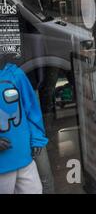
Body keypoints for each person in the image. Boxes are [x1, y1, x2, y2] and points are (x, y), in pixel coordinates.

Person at [0, 62, 48, 194]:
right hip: (2, 166)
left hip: (24, 156)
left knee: (35, 190)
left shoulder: (15, 74)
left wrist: (37, 138)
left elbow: (31, 109)